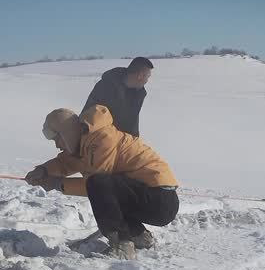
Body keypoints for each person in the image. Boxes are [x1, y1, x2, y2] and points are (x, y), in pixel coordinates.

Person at [26, 103, 179, 260]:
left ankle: (122, 245)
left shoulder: (101, 139)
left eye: (58, 139)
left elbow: (96, 185)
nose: (57, 145)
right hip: (154, 197)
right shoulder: (87, 142)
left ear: (67, 133)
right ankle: (138, 236)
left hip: (160, 199)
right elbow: (68, 162)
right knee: (108, 192)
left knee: (100, 186)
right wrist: (44, 170)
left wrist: (58, 184)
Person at [83, 56, 152, 137]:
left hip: (122, 142)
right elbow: (87, 117)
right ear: (140, 76)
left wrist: (135, 142)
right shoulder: (105, 86)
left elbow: (133, 125)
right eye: (147, 76)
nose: (147, 81)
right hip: (99, 139)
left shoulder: (139, 93)